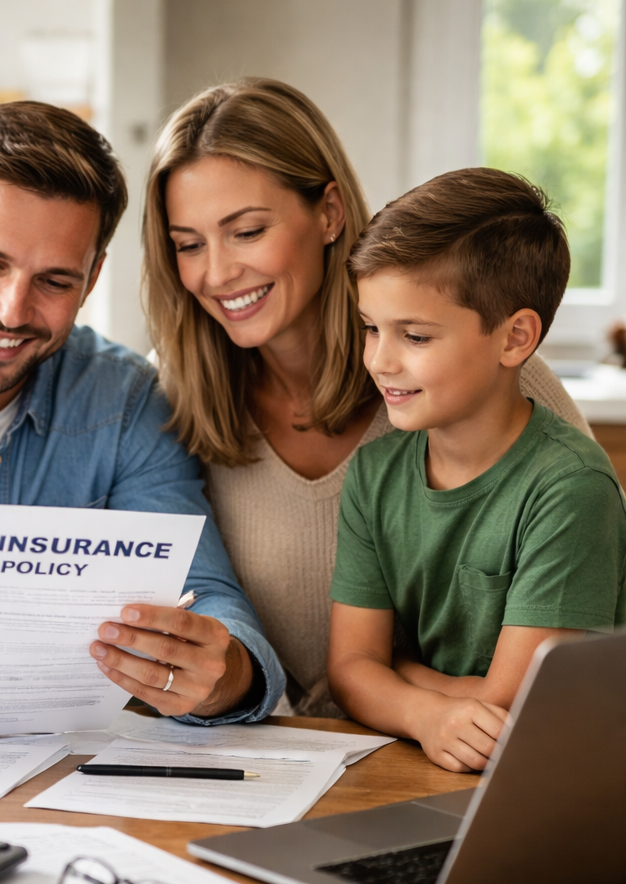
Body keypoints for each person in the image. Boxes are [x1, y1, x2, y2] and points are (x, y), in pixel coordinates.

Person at [142, 78, 592, 717]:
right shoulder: (171, 391)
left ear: (328, 213)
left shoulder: (490, 375)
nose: (215, 273)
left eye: (246, 232)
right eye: (188, 244)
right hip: (304, 759)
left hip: (496, 755)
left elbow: (589, 594)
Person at [0, 101, 284, 724]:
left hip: (31, 768)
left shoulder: (123, 404)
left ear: (92, 278)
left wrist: (220, 675)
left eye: (54, 282)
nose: (12, 311)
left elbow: (206, 598)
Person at [327, 168, 626, 772]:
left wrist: (402, 676)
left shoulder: (570, 488)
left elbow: (515, 708)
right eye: (370, 329)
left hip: (560, 782)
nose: (380, 360)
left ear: (515, 338)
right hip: (427, 766)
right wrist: (425, 713)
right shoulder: (373, 474)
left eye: (414, 335)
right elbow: (350, 672)